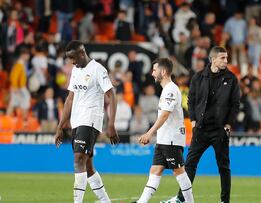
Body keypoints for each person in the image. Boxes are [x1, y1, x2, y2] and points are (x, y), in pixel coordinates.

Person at [162, 46, 240, 203]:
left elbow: (235, 104)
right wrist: (193, 120)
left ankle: (225, 201)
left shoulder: (231, 78)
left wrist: (228, 125)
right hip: (201, 129)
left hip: (220, 130)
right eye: (223, 58)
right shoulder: (198, 77)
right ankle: (181, 198)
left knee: (223, 167)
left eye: (226, 58)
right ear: (213, 59)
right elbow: (191, 100)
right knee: (189, 164)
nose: (226, 61)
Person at [54, 40, 119, 203]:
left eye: (73, 58)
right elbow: (70, 99)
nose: (72, 62)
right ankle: (106, 201)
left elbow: (112, 95)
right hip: (77, 121)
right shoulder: (76, 70)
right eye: (69, 59)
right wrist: (60, 126)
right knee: (88, 166)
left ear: (82, 53)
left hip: (90, 119)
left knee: (78, 160)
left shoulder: (98, 69)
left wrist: (111, 124)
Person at [133, 58, 194, 203]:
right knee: (155, 170)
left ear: (164, 71)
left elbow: (165, 115)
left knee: (179, 172)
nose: (152, 73)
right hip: (164, 139)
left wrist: (149, 133)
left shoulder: (171, 90)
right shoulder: (166, 90)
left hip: (172, 139)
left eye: (154, 70)